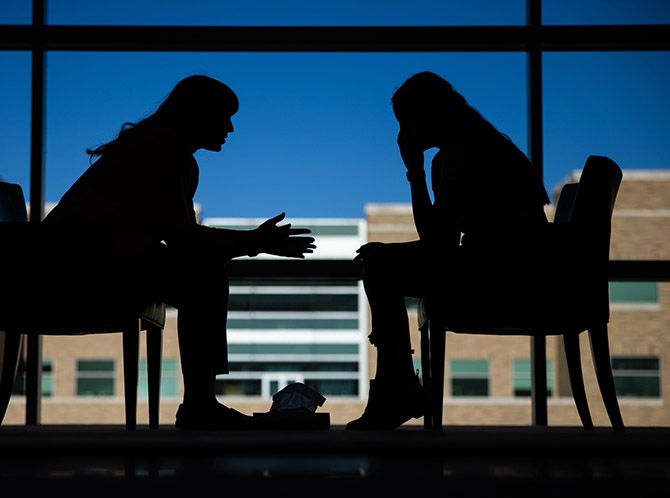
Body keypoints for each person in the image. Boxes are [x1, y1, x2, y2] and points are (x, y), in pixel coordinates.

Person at [44, 75, 315, 429]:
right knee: (204, 274)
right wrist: (255, 242)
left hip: (75, 263)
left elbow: (181, 238)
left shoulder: (160, 146)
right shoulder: (164, 147)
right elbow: (183, 239)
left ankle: (200, 403)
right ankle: (200, 404)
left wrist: (252, 242)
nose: (230, 128)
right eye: (224, 116)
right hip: (80, 270)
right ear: (198, 114)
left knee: (203, 269)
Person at [346, 71, 550, 430]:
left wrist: (414, 171)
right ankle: (400, 386)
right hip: (522, 270)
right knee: (381, 260)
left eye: (406, 122)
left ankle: (397, 389)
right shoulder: (488, 144)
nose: (402, 133)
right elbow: (443, 241)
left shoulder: (458, 156)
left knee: (379, 266)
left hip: (501, 277)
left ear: (426, 116)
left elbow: (437, 241)